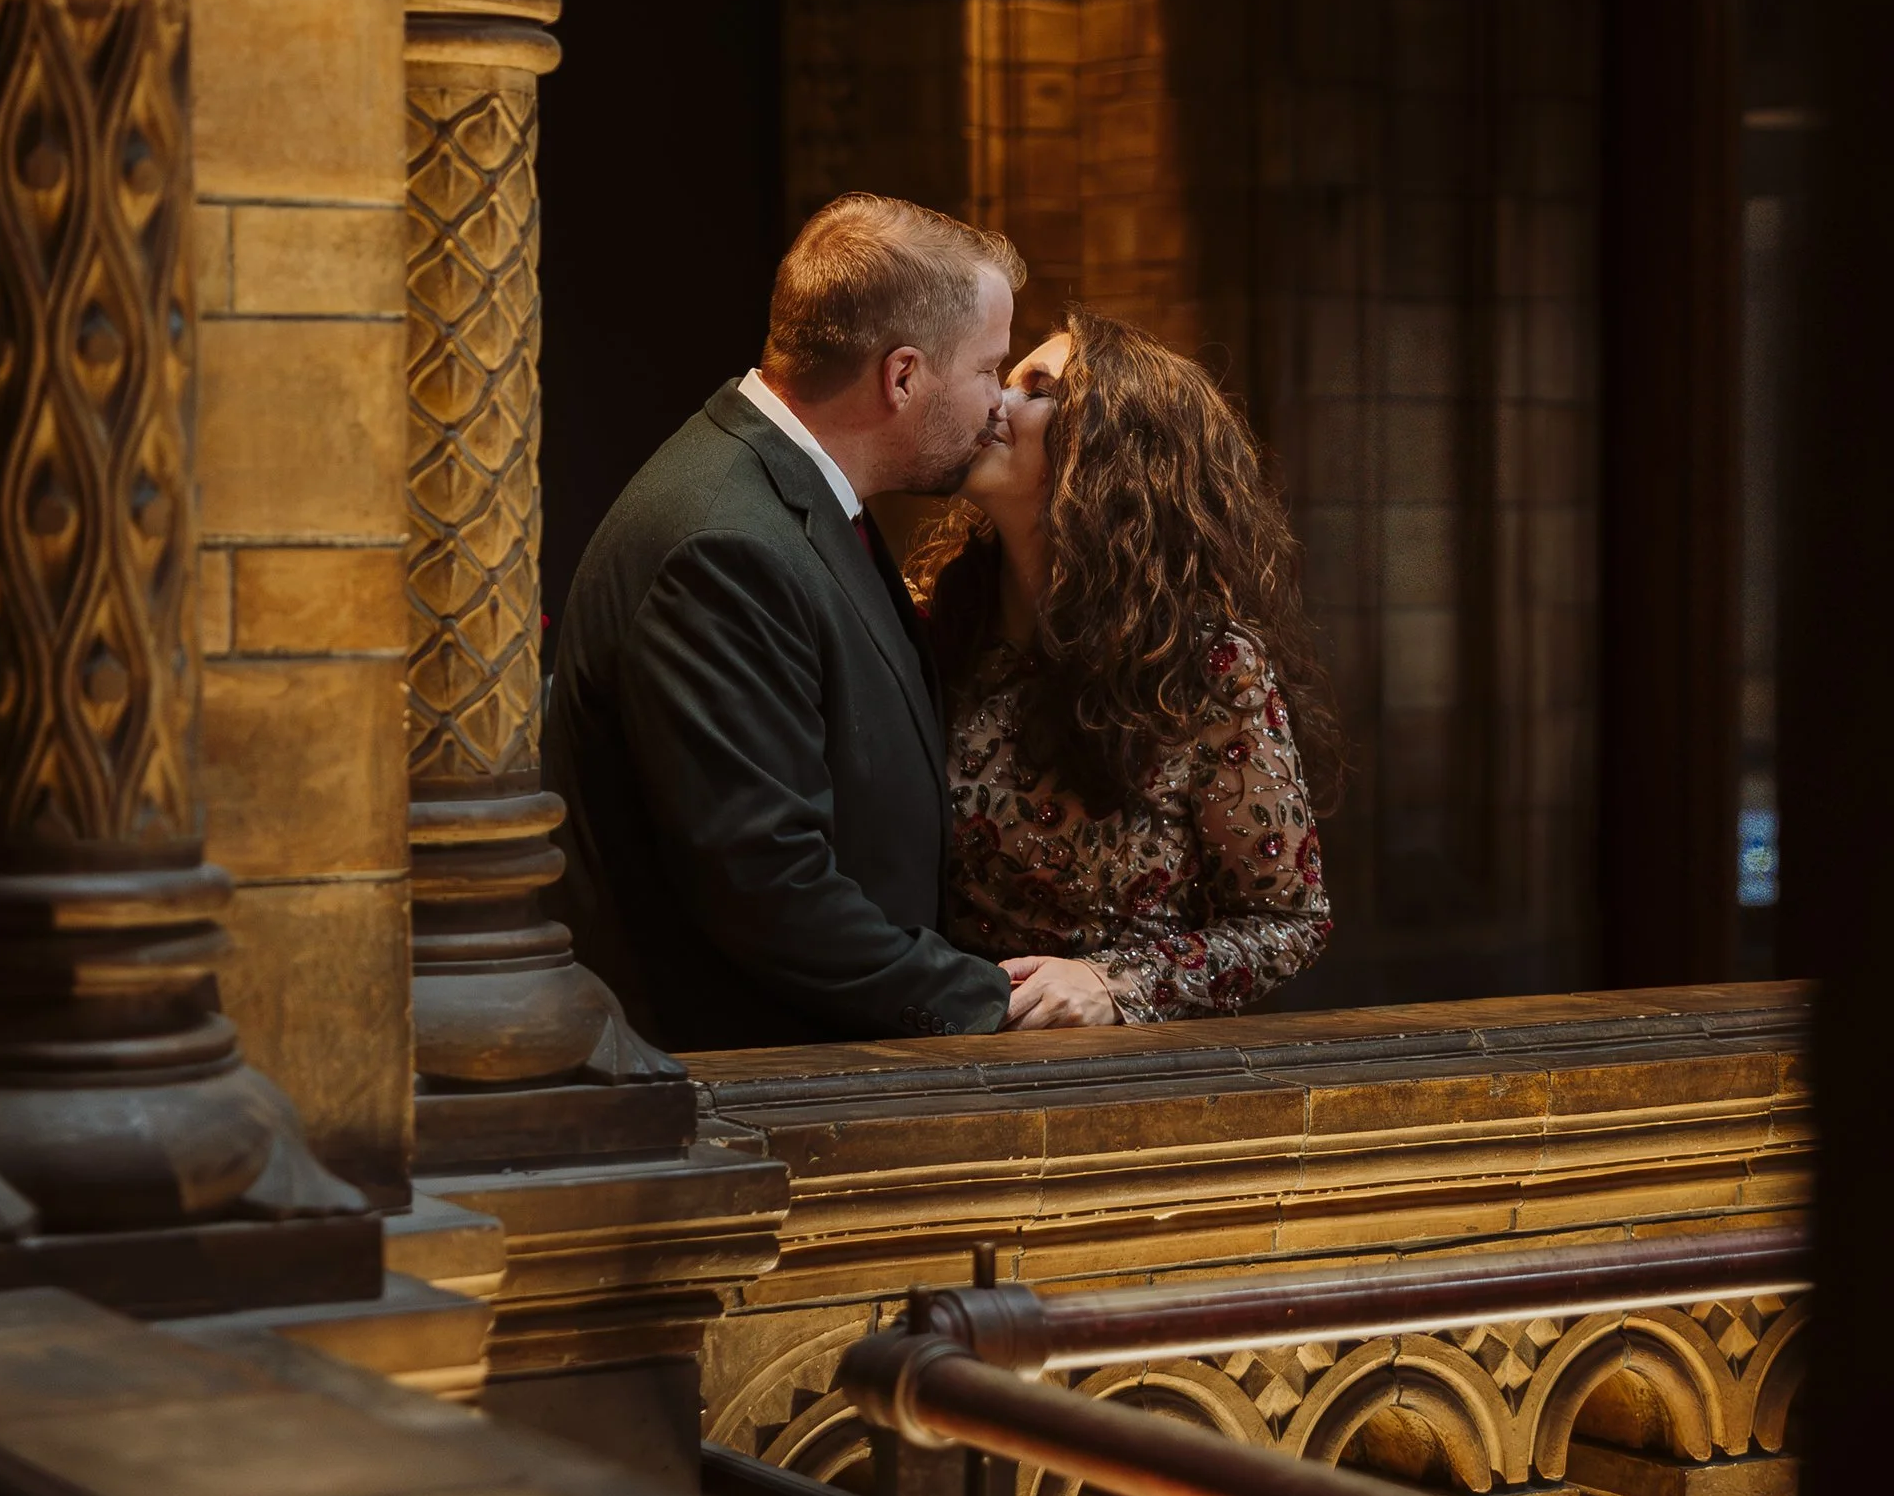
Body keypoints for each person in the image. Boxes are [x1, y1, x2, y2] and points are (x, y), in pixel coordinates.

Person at [543, 196, 1026, 1051]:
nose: (999, 405)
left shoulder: (793, 491)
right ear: (903, 376)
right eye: (990, 369)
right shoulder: (726, 542)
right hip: (742, 1088)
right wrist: (987, 1003)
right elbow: (769, 887)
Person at [912, 311, 1340, 1027]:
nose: (996, 404)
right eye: (1002, 380)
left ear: (1106, 451)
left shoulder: (1204, 666)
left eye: (1036, 387)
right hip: (938, 1051)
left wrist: (1114, 985)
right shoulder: (933, 622)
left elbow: (1289, 920)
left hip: (1119, 1075)